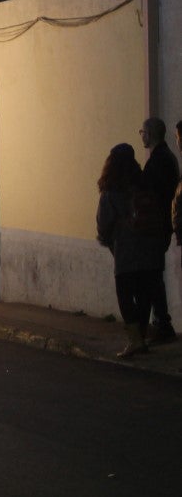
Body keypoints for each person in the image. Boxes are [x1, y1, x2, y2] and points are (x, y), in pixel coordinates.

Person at [97, 143, 164, 358]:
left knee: (126, 297)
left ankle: (135, 341)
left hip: (126, 253)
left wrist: (110, 243)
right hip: (150, 250)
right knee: (144, 295)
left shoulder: (111, 190)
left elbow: (103, 224)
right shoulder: (144, 182)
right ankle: (142, 339)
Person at [140, 117, 180, 344]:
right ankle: (160, 321)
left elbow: (150, 193)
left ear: (151, 133)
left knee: (153, 275)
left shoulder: (157, 161)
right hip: (163, 224)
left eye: (142, 132)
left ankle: (162, 322)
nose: (141, 135)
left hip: (156, 225)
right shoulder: (166, 158)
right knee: (154, 274)